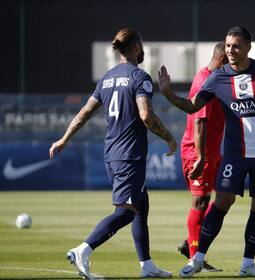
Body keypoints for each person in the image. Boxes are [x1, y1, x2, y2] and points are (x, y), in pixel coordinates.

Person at [158, 26, 255, 278]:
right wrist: (167, 93)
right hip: (234, 154)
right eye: (228, 46)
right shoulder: (217, 77)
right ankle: (197, 258)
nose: (231, 50)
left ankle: (248, 264)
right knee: (222, 202)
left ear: (248, 47)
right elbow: (192, 107)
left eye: (237, 46)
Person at [49, 27, 177, 279]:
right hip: (129, 155)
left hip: (113, 153)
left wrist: (65, 138)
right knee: (125, 212)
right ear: (136, 47)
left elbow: (85, 112)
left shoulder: (106, 78)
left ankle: (147, 265)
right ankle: (83, 250)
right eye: (141, 44)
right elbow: (146, 115)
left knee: (141, 204)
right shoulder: (140, 77)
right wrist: (170, 138)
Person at [176, 42, 227, 272]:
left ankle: (191, 244)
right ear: (222, 60)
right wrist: (200, 157)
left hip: (213, 152)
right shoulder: (204, 81)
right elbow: (199, 124)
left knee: (224, 199)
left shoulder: (218, 80)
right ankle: (195, 259)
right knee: (200, 202)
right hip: (199, 152)